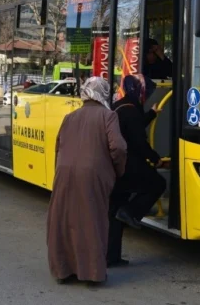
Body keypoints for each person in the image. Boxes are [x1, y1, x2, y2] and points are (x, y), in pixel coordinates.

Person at [46, 77, 128, 285]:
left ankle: (64, 271)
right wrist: (117, 170)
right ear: (104, 93)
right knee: (92, 220)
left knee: (64, 220)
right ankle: (91, 273)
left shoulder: (70, 116)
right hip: (93, 174)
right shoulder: (109, 116)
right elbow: (118, 147)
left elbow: (59, 145)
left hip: (64, 173)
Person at [107, 74, 168, 266]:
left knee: (115, 212)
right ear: (139, 91)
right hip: (129, 167)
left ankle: (111, 257)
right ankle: (132, 212)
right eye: (146, 92)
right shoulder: (132, 111)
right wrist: (156, 159)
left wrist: (151, 114)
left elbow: (133, 126)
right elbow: (138, 142)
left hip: (114, 167)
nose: (146, 96)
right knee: (158, 183)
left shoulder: (119, 107)